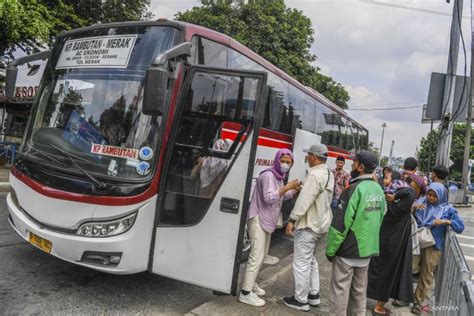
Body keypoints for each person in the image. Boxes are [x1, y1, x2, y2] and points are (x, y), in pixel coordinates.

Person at [326, 150, 386, 316]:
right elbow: (380, 218)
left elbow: (340, 225)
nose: (351, 164)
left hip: (348, 251)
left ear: (360, 167)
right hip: (367, 250)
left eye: (354, 162)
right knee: (359, 293)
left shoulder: (353, 189)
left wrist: (331, 250)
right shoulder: (378, 189)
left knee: (340, 292)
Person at [239, 148, 300, 307]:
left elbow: (279, 195)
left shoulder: (279, 177)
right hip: (258, 218)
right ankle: (245, 293)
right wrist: (287, 188)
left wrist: (292, 191)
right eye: (283, 161)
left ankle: (251, 285)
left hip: (267, 219)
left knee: (263, 253)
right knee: (256, 256)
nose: (286, 164)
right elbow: (268, 197)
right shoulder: (268, 175)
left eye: (289, 162)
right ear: (277, 160)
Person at [282, 144, 334, 312]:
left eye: (308, 155)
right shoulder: (329, 173)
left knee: (301, 263)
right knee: (311, 260)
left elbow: (305, 201)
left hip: (309, 224)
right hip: (321, 224)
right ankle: (313, 295)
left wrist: (291, 219)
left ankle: (301, 300)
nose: (306, 158)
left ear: (314, 156)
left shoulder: (314, 175)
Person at [367, 173, 417, 315]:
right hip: (394, 243)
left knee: (374, 269)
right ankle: (379, 307)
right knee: (388, 273)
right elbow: (411, 193)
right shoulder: (400, 208)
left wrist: (391, 196)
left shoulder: (386, 204)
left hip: (380, 240)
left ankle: (361, 298)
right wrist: (395, 197)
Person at [411, 183, 464, 314]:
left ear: (441, 196)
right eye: (429, 194)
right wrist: (412, 208)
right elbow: (407, 217)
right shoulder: (420, 203)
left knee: (426, 274)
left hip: (433, 246)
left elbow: (460, 226)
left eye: (435, 196)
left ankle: (418, 302)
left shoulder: (447, 209)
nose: (431, 198)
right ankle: (403, 297)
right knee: (409, 269)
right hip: (416, 241)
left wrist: (446, 221)